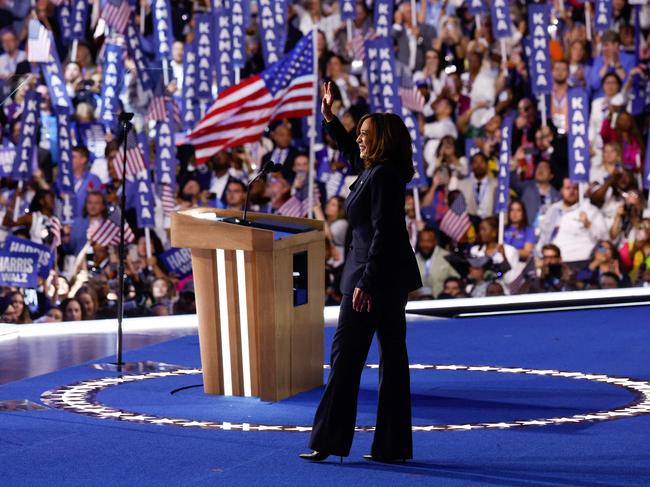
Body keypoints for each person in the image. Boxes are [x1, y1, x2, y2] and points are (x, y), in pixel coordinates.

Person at [301, 82, 421, 463]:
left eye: (366, 135)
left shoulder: (382, 176)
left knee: (346, 358)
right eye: (359, 134)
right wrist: (331, 119)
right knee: (392, 361)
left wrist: (366, 282)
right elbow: (352, 154)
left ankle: (328, 441)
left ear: (382, 140)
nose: (359, 140)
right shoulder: (378, 172)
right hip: (388, 279)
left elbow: (384, 230)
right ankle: (392, 447)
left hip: (370, 280)